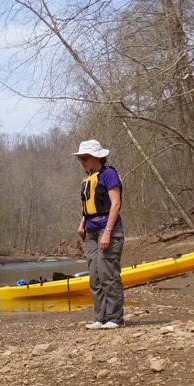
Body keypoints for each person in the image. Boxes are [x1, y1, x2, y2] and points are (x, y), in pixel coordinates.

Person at [73, 140, 124, 329]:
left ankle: (115, 318)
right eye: (80, 158)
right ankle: (100, 318)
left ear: (96, 157)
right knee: (95, 276)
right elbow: (87, 208)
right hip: (91, 231)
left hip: (107, 228)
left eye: (85, 158)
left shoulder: (108, 174)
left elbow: (115, 204)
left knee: (107, 274)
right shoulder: (89, 179)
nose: (82, 161)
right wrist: (82, 225)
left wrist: (108, 232)